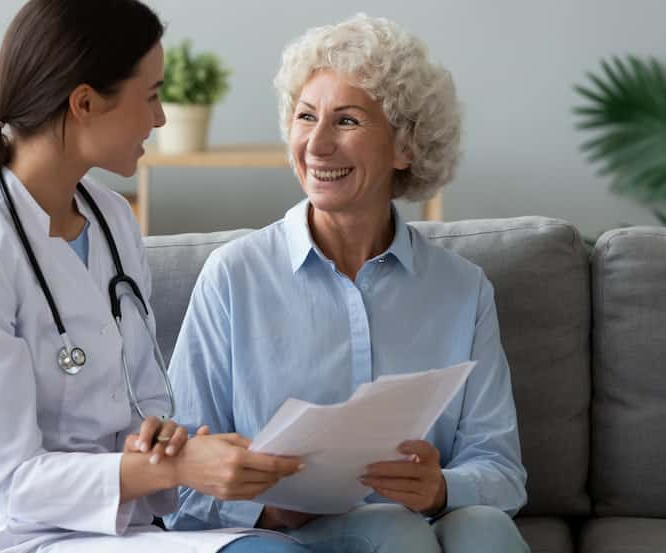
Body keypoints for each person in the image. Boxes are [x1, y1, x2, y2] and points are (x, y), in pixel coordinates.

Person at [0, 1, 307, 552]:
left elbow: (140, 409)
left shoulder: (111, 219)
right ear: (86, 103)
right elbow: (14, 483)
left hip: (110, 524)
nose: (160, 119)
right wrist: (177, 469)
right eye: (152, 95)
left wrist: (170, 446)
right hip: (7, 530)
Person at [164, 13, 530, 553]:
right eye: (306, 116)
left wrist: (440, 488)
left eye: (348, 121)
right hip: (283, 537)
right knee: (396, 531)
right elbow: (176, 480)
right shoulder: (233, 275)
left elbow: (501, 470)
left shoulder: (462, 290)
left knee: (486, 528)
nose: (316, 144)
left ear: (405, 146)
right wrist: (264, 504)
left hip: (418, 528)